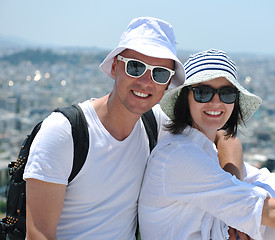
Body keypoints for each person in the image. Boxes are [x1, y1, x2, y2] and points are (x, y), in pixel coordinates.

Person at [23, 18, 242, 240]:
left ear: (167, 84)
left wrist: (232, 195)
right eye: (135, 67)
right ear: (115, 66)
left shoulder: (154, 124)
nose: (146, 82)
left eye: (160, 74)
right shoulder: (65, 132)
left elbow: (224, 136)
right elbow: (38, 234)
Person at [138, 49, 275, 240]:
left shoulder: (200, 148)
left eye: (226, 93)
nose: (216, 102)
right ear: (185, 98)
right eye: (203, 92)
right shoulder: (181, 155)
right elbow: (273, 213)